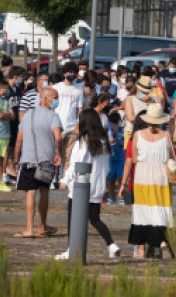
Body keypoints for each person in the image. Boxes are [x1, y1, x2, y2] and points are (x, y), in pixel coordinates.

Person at [55, 109, 121, 259]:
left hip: (81, 187)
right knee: (95, 219)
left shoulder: (82, 141)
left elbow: (76, 164)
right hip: (97, 187)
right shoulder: (103, 142)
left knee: (74, 220)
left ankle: (72, 250)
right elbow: (106, 167)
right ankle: (111, 244)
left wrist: (65, 180)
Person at [14, 87, 62, 237]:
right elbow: (58, 137)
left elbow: (18, 140)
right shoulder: (53, 116)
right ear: (45, 98)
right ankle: (42, 226)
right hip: (45, 161)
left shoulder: (27, 115)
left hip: (27, 159)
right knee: (44, 191)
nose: (56, 100)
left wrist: (16, 159)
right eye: (55, 97)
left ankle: (29, 228)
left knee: (30, 193)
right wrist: (58, 152)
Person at [129, 103, 175, 259]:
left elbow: (134, 158)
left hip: (142, 174)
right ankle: (162, 241)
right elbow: (171, 156)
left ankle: (141, 249)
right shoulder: (166, 135)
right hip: (160, 174)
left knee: (142, 210)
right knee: (159, 208)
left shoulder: (138, 134)